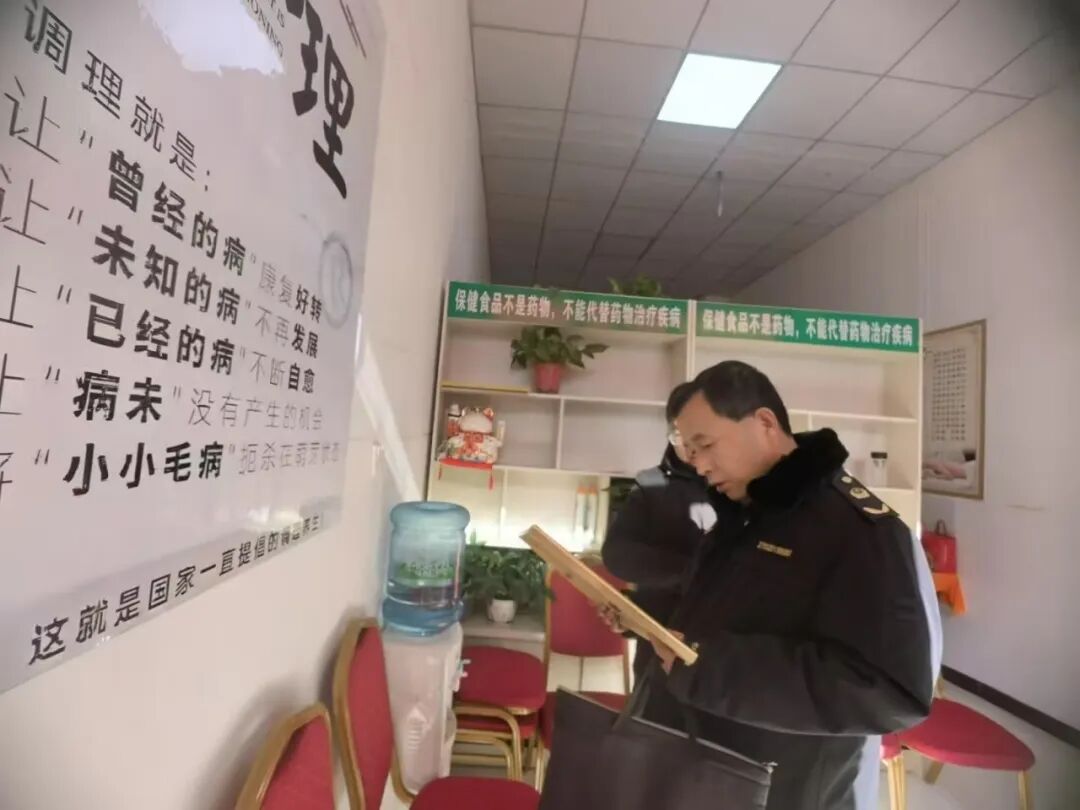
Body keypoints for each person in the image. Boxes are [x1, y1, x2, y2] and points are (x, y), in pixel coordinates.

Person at [649, 360, 935, 810]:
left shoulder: (858, 529)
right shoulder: (743, 512)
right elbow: (727, 614)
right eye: (689, 451)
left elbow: (888, 691)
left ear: (764, 423)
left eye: (705, 445)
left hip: (783, 789)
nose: (699, 464)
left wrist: (710, 668)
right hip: (703, 769)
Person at [601, 382, 717, 705]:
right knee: (651, 726)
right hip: (656, 652)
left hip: (719, 659)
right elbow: (617, 554)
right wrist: (691, 573)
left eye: (699, 436)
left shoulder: (736, 485)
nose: (690, 448)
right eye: (680, 436)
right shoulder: (652, 482)